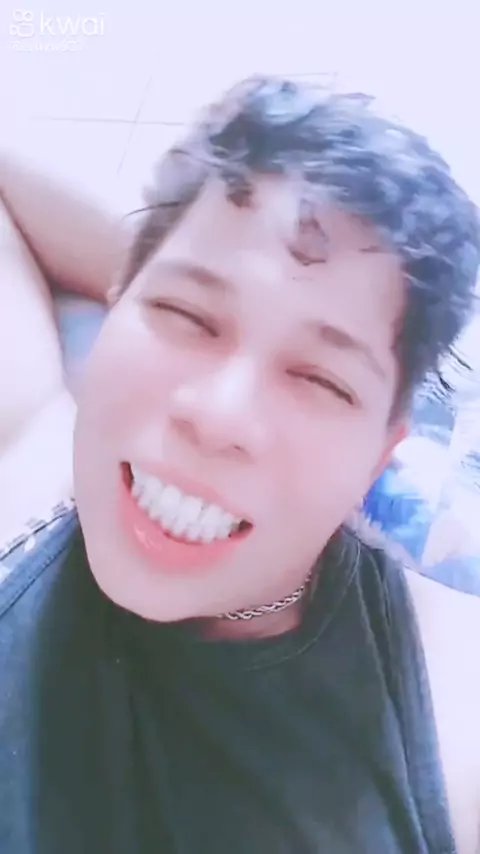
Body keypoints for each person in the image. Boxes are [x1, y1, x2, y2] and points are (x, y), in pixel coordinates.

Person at [1, 76, 480, 854]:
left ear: (381, 458)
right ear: (116, 304)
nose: (218, 417)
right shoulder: (23, 449)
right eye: (185, 315)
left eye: (320, 379)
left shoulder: (453, 717)